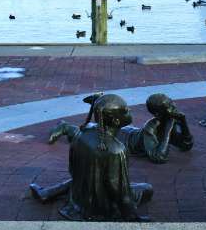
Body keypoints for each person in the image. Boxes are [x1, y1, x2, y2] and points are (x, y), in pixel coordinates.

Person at [30, 93, 152, 222]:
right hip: (98, 206)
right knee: (147, 189)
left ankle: (48, 193)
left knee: (88, 176)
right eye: (126, 110)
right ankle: (50, 193)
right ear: (116, 121)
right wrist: (131, 216)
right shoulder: (116, 149)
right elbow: (120, 192)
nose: (130, 110)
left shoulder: (82, 132)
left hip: (79, 197)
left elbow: (73, 171)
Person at [49, 93, 193, 164]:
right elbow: (159, 157)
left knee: (97, 128)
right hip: (125, 138)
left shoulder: (171, 120)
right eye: (169, 107)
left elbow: (186, 145)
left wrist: (184, 122)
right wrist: (168, 128)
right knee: (92, 132)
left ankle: (98, 102)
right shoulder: (152, 126)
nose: (174, 108)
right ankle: (66, 126)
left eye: (172, 103)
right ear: (157, 114)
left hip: (132, 132)